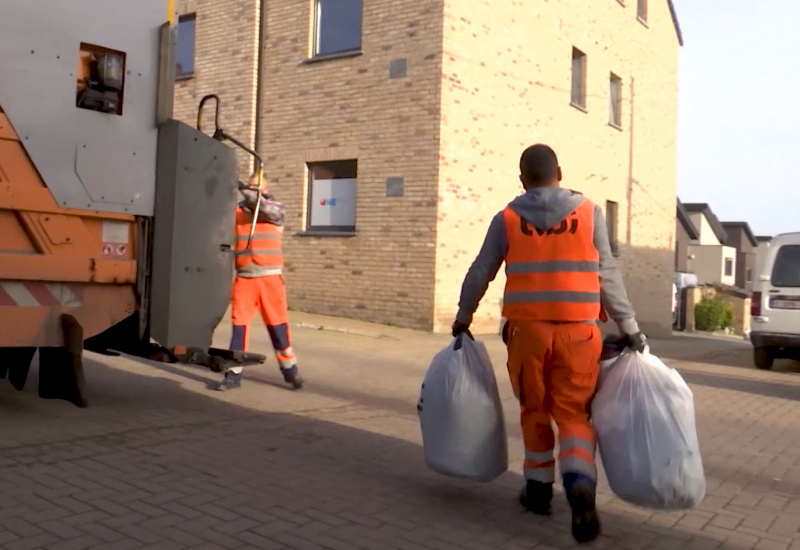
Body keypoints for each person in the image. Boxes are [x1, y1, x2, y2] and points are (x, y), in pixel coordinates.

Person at [451, 144, 646, 544]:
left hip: (527, 336)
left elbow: (480, 271)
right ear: (559, 171)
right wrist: (630, 326)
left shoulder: (506, 218)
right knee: (574, 415)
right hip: (579, 334)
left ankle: (538, 492)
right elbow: (607, 273)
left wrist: (463, 317)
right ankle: (579, 484)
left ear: (522, 179)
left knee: (534, 411)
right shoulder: (589, 212)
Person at [216, 173, 305, 391]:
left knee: (278, 328)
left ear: (265, 188)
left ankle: (290, 371)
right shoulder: (236, 212)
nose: (252, 190)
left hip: (270, 278)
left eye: (257, 187)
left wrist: (241, 187)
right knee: (239, 327)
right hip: (245, 278)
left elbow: (261, 207)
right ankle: (233, 375)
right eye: (251, 186)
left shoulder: (275, 210)